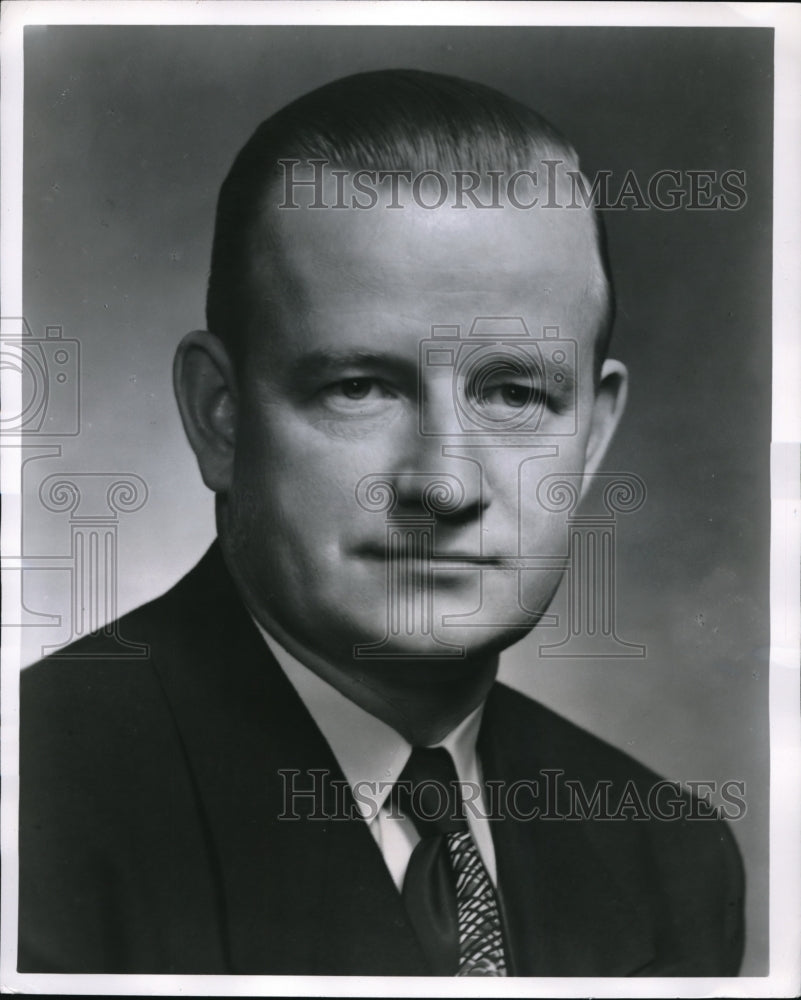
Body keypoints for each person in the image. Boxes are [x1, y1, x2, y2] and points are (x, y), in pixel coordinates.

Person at [18, 69, 744, 977]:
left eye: (514, 393)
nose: (442, 483)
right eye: (358, 387)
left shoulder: (668, 859)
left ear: (591, 436)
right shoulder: (33, 805)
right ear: (219, 416)